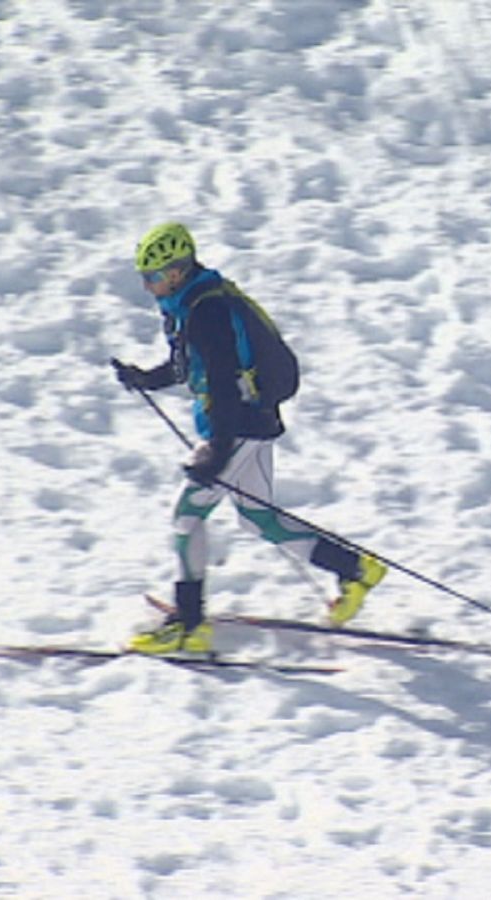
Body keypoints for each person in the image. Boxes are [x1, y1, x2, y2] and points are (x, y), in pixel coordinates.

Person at [110, 222, 386, 654]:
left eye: (155, 277)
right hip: (250, 422)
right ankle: (356, 570)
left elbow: (220, 379)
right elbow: (188, 367)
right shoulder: (190, 304)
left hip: (237, 427)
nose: (149, 287)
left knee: (185, 517)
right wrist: (144, 378)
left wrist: (217, 448)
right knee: (259, 518)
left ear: (179, 270)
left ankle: (189, 624)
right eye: (145, 278)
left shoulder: (206, 311)